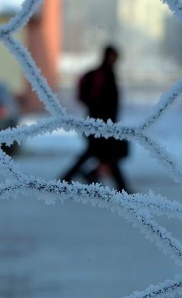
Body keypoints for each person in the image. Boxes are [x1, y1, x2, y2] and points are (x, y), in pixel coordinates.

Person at [60, 45, 130, 193]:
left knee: (98, 154)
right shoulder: (101, 74)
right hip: (97, 124)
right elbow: (97, 100)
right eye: (113, 56)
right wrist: (100, 115)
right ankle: (121, 188)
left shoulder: (107, 73)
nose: (115, 59)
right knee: (108, 156)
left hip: (104, 123)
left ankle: (74, 178)